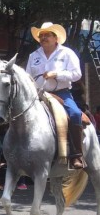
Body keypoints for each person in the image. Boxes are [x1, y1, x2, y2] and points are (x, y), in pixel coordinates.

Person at [26, 22, 84, 169]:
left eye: (47, 35)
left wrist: (56, 74)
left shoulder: (67, 53)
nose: (43, 38)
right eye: (41, 35)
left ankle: (76, 155)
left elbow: (77, 74)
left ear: (56, 37)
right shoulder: (33, 55)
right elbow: (28, 77)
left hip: (61, 94)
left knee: (75, 113)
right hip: (38, 94)